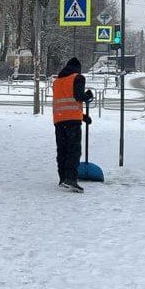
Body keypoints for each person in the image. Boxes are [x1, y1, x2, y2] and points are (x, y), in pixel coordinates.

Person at [52, 56, 94, 192]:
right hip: (72, 123)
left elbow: (66, 102)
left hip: (59, 121)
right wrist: (88, 95)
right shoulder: (78, 78)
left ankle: (63, 178)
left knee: (62, 150)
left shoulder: (57, 82)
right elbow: (78, 97)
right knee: (73, 150)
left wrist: (83, 117)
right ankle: (71, 179)